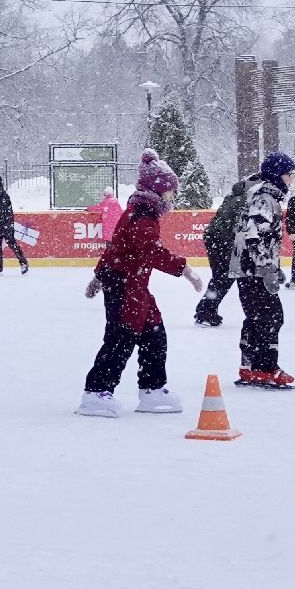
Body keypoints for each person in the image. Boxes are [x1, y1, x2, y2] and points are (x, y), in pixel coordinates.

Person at [75, 151, 203, 418]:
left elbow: (116, 247)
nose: (172, 196)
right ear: (158, 190)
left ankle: (153, 388)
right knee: (121, 337)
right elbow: (151, 252)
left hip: (134, 284)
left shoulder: (140, 212)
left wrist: (98, 276)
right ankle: (97, 392)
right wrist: (186, 270)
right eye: (170, 191)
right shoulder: (141, 216)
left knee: (154, 332)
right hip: (124, 284)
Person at [231, 150, 295, 389]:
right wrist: (267, 267)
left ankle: (250, 367)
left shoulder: (264, 197)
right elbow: (254, 237)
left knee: (256, 317)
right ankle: (265, 368)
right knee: (271, 317)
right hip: (254, 271)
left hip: (248, 269)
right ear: (278, 175)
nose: (291, 180)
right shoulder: (265, 199)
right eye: (289, 174)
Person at [193, 179, 248, 327]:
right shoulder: (244, 201)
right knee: (224, 277)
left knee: (220, 277)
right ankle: (205, 312)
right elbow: (240, 226)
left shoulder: (231, 197)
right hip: (223, 240)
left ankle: (205, 311)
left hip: (214, 238)